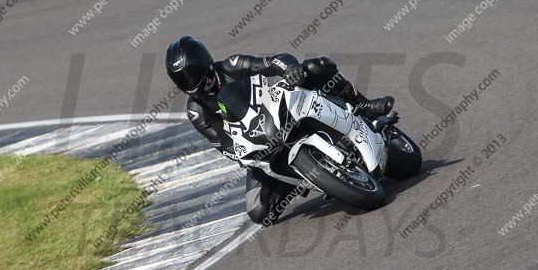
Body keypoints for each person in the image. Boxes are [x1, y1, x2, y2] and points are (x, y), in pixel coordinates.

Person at [165, 36, 394, 225]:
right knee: (258, 212)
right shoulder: (197, 110)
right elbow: (224, 145)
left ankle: (362, 106)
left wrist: (291, 69)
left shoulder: (231, 66)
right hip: (258, 144)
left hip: (277, 111)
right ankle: (306, 178)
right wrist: (244, 156)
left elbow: (273, 62)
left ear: (204, 60)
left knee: (315, 67)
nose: (192, 81)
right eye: (183, 79)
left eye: (193, 72)